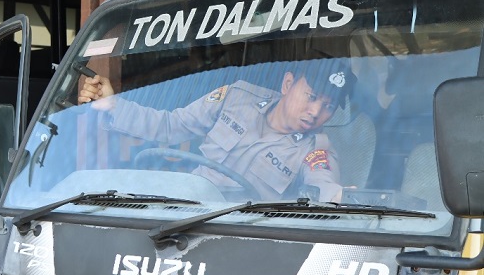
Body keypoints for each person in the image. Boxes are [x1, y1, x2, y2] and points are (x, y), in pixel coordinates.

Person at [77, 59, 353, 202]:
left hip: (239, 236)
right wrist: (114, 106)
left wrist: (336, 198)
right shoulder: (235, 97)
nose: (316, 112)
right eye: (312, 96)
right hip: (183, 210)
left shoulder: (316, 150)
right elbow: (171, 126)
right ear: (288, 84)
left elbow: (324, 187)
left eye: (328, 106)